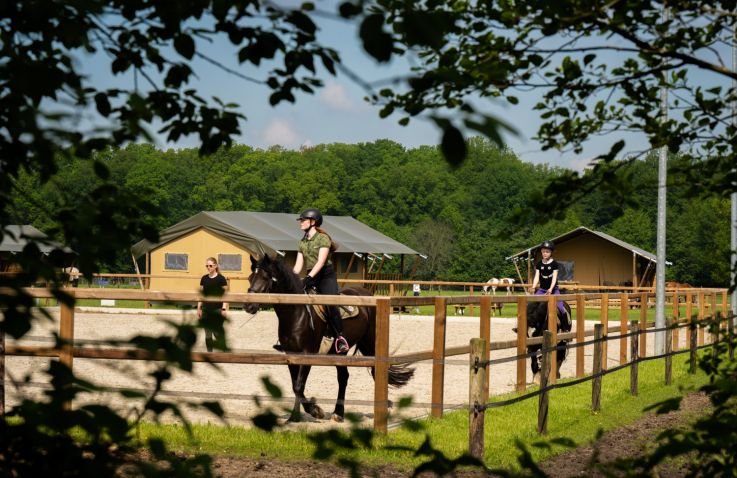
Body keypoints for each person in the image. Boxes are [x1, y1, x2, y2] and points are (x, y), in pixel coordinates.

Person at [293, 208, 350, 353]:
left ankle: (340, 338)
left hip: (325, 276)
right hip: (310, 276)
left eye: (303, 220)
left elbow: (321, 261)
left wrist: (309, 278)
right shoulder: (302, 242)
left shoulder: (323, 238)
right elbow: (298, 265)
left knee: (331, 304)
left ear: (313, 222)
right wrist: (291, 278)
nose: (300, 223)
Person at [198, 257, 228, 352]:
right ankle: (210, 353)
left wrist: (224, 309)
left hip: (217, 309)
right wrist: (199, 308)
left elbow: (226, 295)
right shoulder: (204, 278)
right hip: (206, 309)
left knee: (216, 332)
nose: (208, 267)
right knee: (207, 333)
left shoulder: (221, 279)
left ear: (215, 266)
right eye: (207, 266)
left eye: (210, 265)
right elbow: (201, 295)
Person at [529, 240, 567, 316]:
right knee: (530, 305)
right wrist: (533, 286)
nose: (545, 253)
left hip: (553, 290)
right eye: (543, 251)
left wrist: (550, 289)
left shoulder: (554, 264)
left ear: (551, 252)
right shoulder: (539, 264)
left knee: (561, 308)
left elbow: (554, 278)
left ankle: (565, 325)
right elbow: (537, 276)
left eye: (547, 252)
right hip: (542, 290)